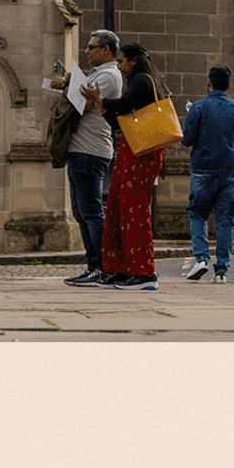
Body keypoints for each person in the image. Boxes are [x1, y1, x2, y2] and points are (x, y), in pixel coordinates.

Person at [85, 41, 167, 290]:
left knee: (134, 210)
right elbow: (118, 120)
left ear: (133, 61)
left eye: (121, 62)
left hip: (141, 153)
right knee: (119, 208)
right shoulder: (138, 82)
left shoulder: (143, 80)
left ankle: (144, 272)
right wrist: (101, 104)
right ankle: (122, 268)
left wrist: (102, 99)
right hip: (131, 150)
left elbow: (121, 105)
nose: (119, 67)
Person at [52, 30, 127, 287]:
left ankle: (103, 266)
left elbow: (78, 105)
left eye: (92, 47)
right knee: (82, 212)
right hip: (79, 150)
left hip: (91, 151)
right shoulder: (96, 75)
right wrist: (66, 84)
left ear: (106, 50)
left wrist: (67, 86)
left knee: (92, 212)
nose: (87, 51)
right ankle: (94, 265)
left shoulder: (108, 76)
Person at [180, 64, 234, 282]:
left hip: (203, 168)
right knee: (225, 219)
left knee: (198, 213)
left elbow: (187, 139)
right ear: (229, 85)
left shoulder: (198, 108)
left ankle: (201, 258)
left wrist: (190, 116)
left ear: (208, 84)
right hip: (229, 170)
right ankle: (222, 271)